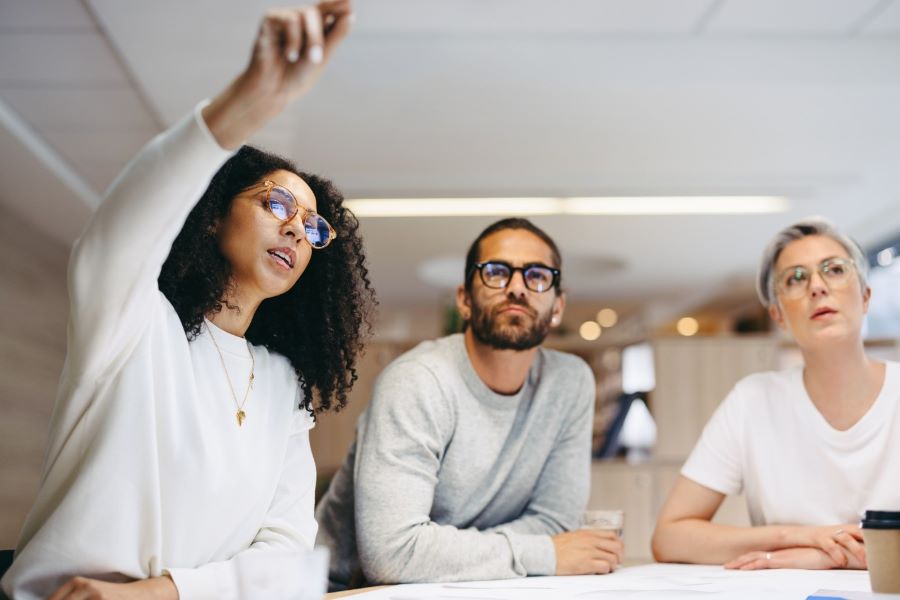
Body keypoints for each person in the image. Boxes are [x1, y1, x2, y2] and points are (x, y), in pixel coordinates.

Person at [1, 3, 376, 599]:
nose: (296, 232)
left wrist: (157, 594)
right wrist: (246, 106)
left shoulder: (284, 386)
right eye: (276, 205)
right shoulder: (134, 324)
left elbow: (288, 561)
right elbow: (120, 232)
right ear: (210, 217)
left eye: (312, 227)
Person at [315, 218, 623, 590]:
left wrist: (442, 550)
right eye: (496, 272)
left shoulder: (570, 383)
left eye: (537, 276)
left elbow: (555, 523)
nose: (517, 288)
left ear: (557, 307)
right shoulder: (418, 381)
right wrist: (544, 553)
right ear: (464, 299)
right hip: (348, 590)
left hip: (477, 586)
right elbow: (392, 553)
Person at [652, 217, 900, 571]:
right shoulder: (752, 401)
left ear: (865, 296)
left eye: (834, 269)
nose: (817, 286)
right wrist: (797, 536)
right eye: (795, 278)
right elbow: (670, 537)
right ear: (779, 315)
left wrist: (821, 557)